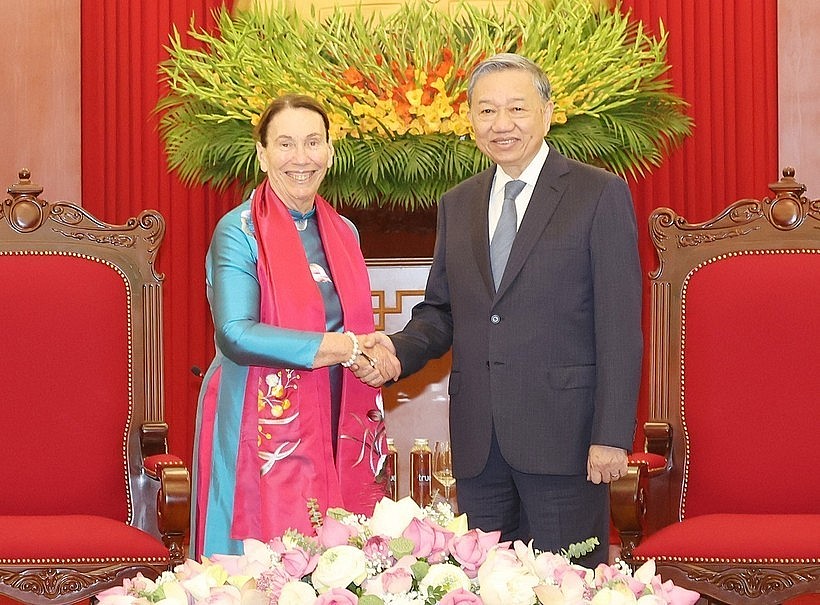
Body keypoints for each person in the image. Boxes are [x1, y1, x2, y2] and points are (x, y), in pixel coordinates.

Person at [357, 53, 642, 567]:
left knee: (566, 587)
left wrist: (611, 436)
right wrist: (397, 351)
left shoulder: (597, 194)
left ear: (548, 112)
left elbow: (620, 326)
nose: (501, 124)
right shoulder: (458, 201)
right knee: (486, 584)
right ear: (470, 120)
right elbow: (442, 312)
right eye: (486, 111)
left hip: (567, 442)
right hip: (479, 445)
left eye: (517, 108)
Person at [192, 93, 390, 558]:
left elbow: (354, 326)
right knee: (262, 562)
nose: (301, 158)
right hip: (255, 412)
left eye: (313, 143)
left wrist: (372, 349)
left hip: (340, 408)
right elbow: (236, 334)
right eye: (284, 144)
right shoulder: (238, 231)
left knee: (336, 554)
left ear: (330, 152)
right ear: (261, 154)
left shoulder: (345, 231)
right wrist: (343, 347)